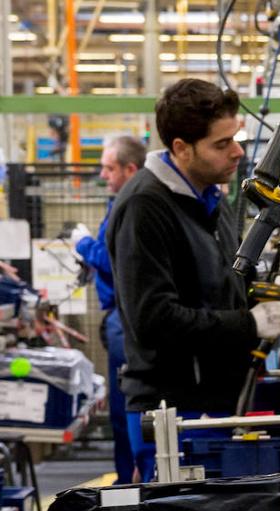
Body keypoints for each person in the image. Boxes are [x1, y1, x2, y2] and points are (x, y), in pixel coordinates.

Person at [106, 79, 280, 481]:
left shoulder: (210, 198)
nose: (238, 152)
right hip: (173, 412)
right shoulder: (145, 207)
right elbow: (152, 319)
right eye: (222, 143)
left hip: (217, 401)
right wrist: (250, 325)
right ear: (181, 148)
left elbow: (237, 291)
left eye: (236, 139)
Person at [71, 135, 147, 484]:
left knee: (127, 404)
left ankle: (130, 480)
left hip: (126, 315)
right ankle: (128, 477)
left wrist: (83, 244)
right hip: (120, 315)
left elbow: (112, 259)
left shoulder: (129, 207)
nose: (103, 175)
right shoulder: (121, 203)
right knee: (124, 404)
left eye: (108, 167)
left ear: (130, 169)